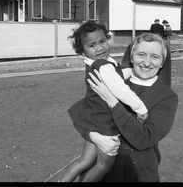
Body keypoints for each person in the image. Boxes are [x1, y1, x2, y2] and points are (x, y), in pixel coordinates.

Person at [60, 20, 149, 182]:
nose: (99, 47)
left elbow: (115, 76)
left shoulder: (95, 62)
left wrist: (130, 71)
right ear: (82, 50)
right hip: (103, 123)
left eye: (102, 41)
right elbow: (121, 90)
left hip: (91, 118)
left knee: (84, 161)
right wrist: (140, 108)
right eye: (92, 45)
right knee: (103, 166)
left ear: (107, 39)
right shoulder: (103, 66)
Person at [86, 32, 179, 182]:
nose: (147, 62)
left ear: (162, 62)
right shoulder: (114, 82)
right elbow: (88, 115)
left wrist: (112, 102)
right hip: (105, 166)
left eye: (155, 57)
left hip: (139, 171)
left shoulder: (167, 97)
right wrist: (93, 136)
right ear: (131, 56)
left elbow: (144, 138)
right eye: (141, 54)